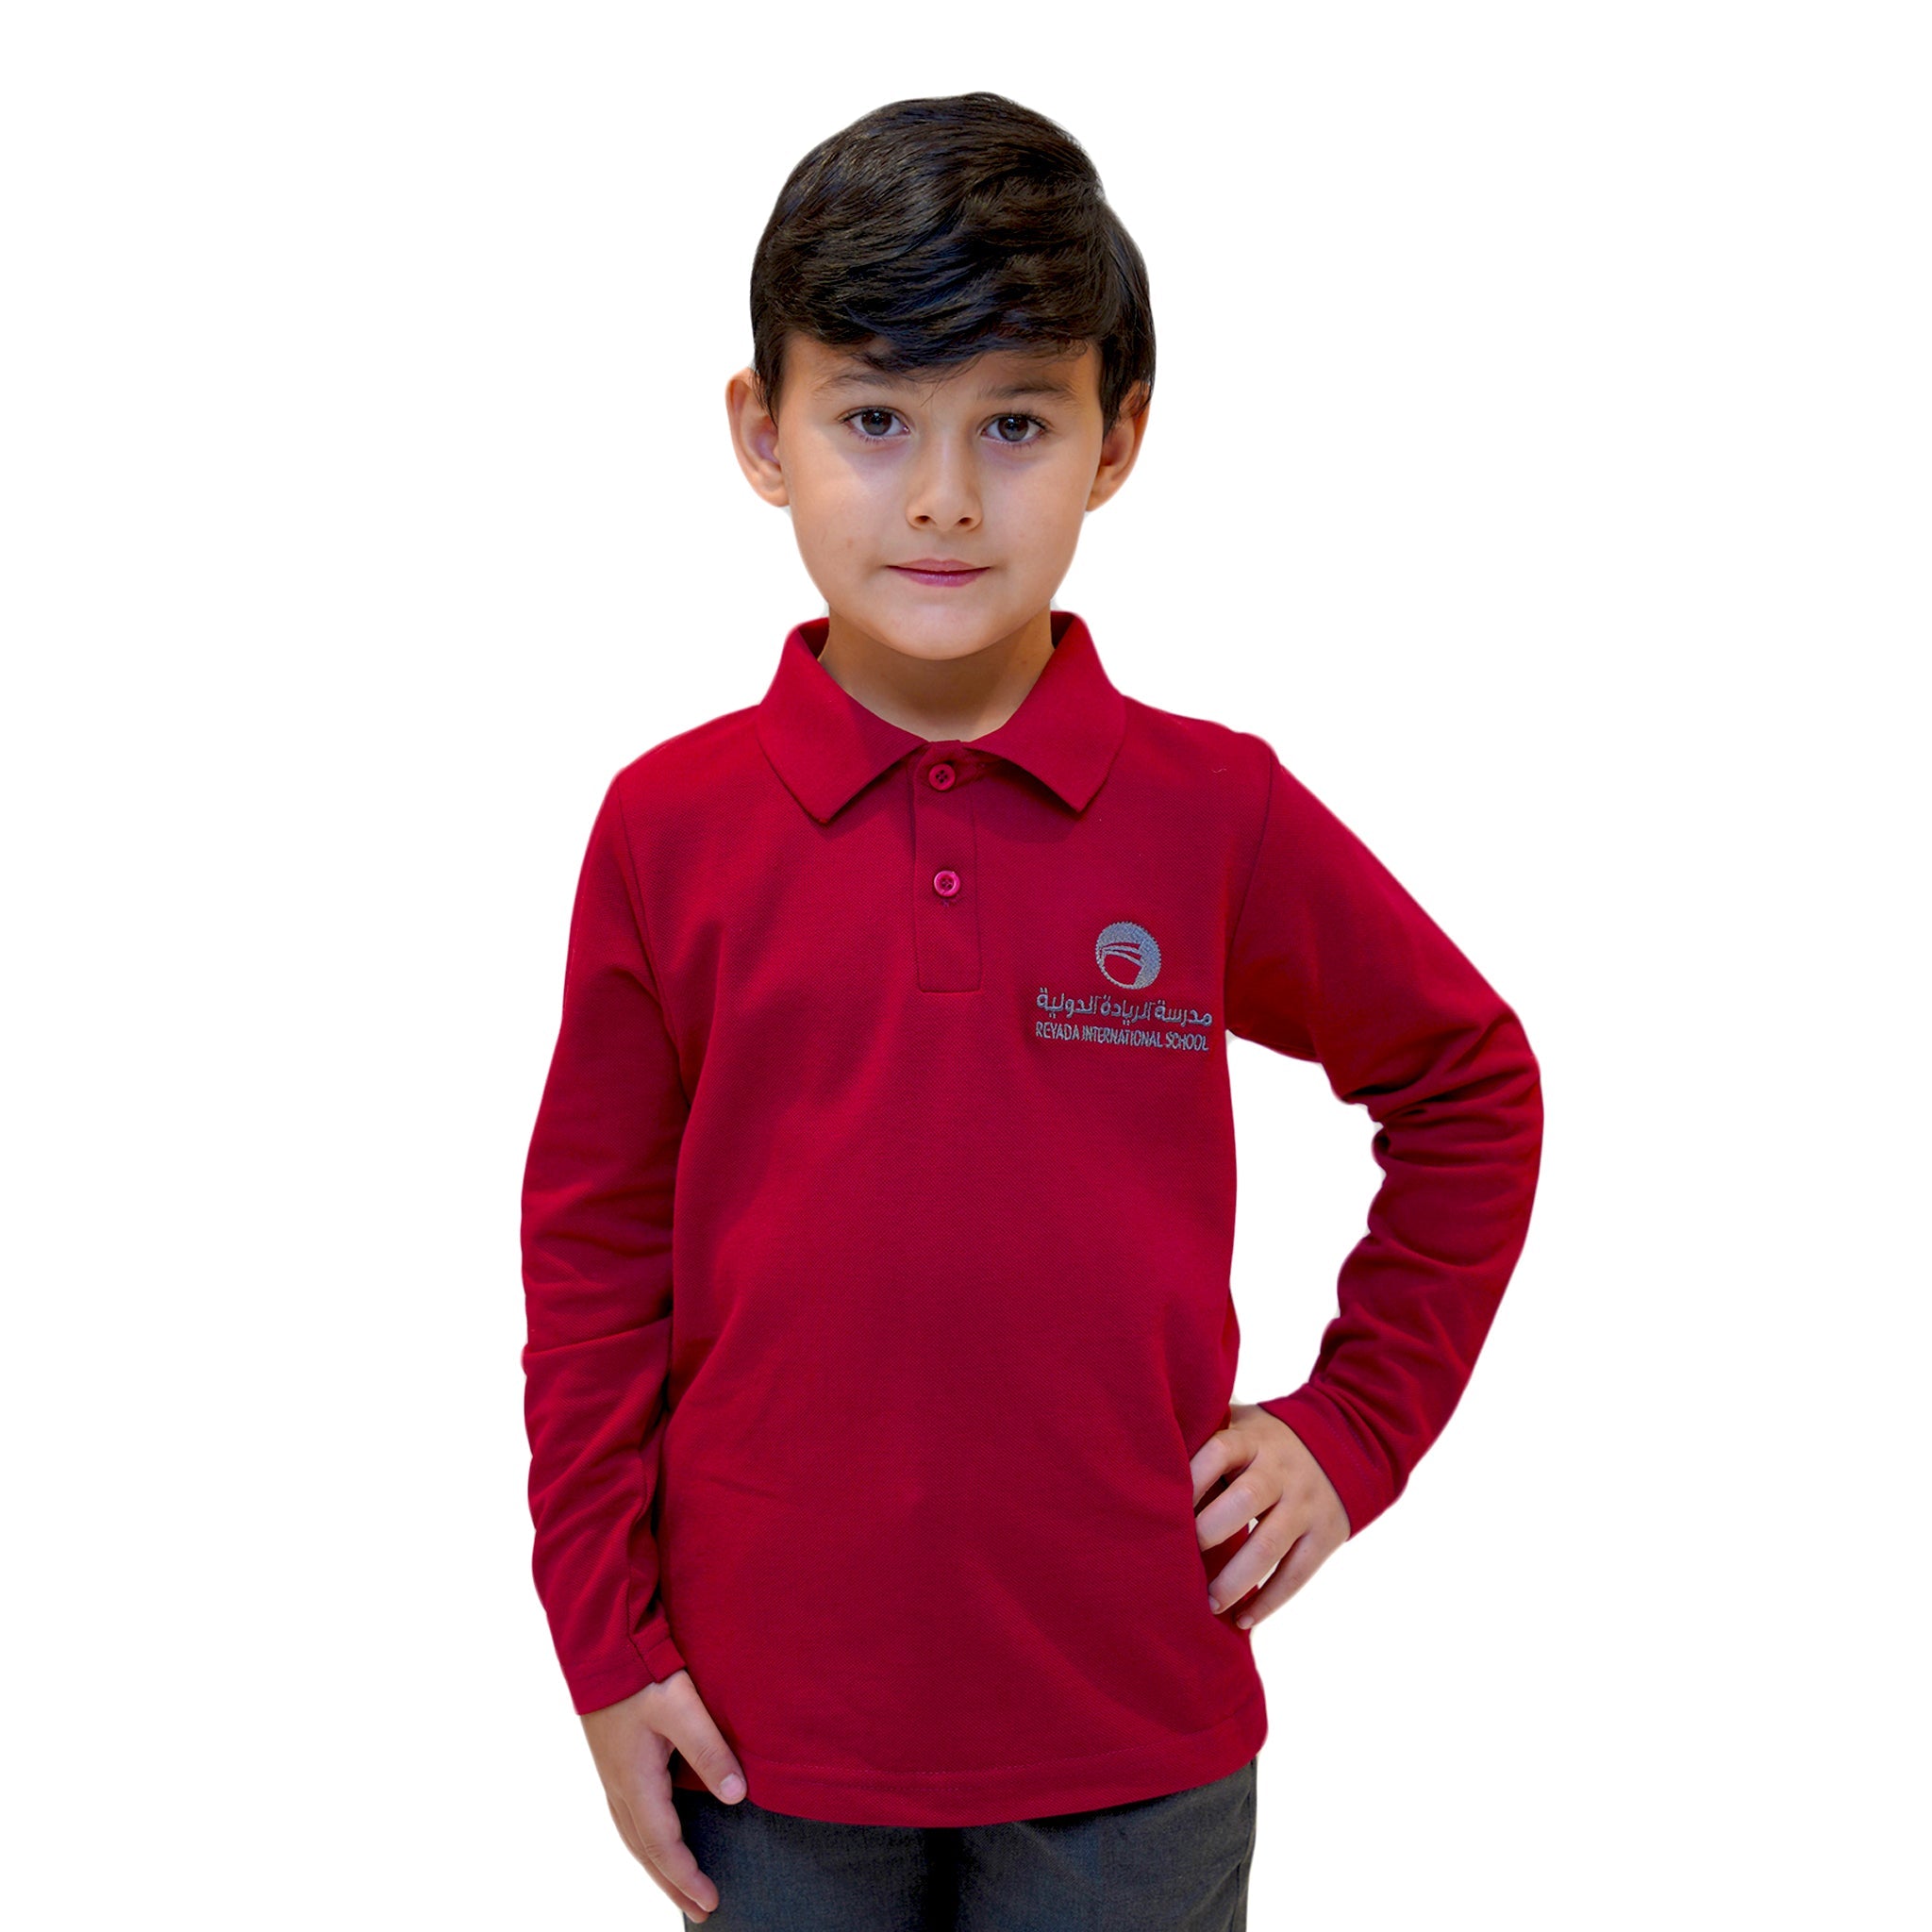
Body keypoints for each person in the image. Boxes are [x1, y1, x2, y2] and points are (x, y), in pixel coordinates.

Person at [520, 91, 1543, 1930]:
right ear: (759, 434)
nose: (940, 496)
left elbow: (1467, 1079)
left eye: (1013, 422)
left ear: (1117, 436)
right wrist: (604, 1640)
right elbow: (592, 1257)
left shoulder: (1211, 812)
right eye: (872, 418)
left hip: (1133, 1727)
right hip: (761, 1734)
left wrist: (1352, 1427)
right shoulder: (665, 827)